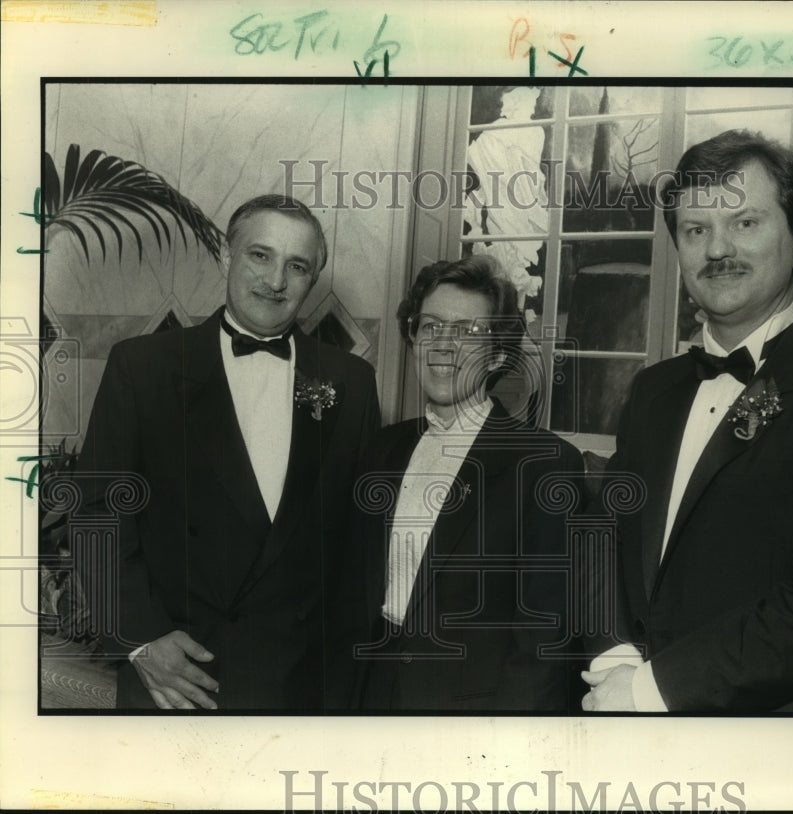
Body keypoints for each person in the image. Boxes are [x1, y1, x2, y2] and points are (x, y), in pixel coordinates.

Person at [582, 130, 793, 712]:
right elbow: (602, 542)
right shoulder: (651, 393)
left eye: (745, 223)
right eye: (696, 230)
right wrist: (613, 656)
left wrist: (652, 690)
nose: (718, 250)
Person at [77, 194, 380, 710]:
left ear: (313, 279)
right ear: (226, 256)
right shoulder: (144, 367)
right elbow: (96, 512)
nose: (276, 280)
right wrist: (140, 639)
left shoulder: (350, 381)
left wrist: (344, 691)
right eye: (260, 256)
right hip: (174, 682)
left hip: (299, 688)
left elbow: (360, 549)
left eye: (297, 266)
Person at [350, 255, 583, 711]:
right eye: (431, 326)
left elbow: (543, 643)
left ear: (498, 352)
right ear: (413, 338)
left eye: (467, 332)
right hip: (369, 695)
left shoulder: (545, 465)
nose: (443, 345)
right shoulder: (383, 449)